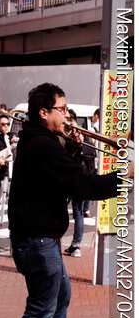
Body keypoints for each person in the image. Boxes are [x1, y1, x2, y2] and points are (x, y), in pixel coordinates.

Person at [5, 83, 124, 318]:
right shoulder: (41, 145)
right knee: (42, 303)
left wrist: (71, 146)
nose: (67, 115)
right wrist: (124, 177)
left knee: (60, 297)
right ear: (44, 113)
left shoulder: (42, 141)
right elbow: (80, 185)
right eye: (61, 109)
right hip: (36, 239)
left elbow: (59, 174)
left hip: (43, 237)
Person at [62, 110, 96, 258]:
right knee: (78, 212)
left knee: (73, 211)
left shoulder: (69, 136)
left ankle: (72, 245)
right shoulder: (86, 136)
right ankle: (76, 246)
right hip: (83, 178)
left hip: (72, 179)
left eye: (67, 119)